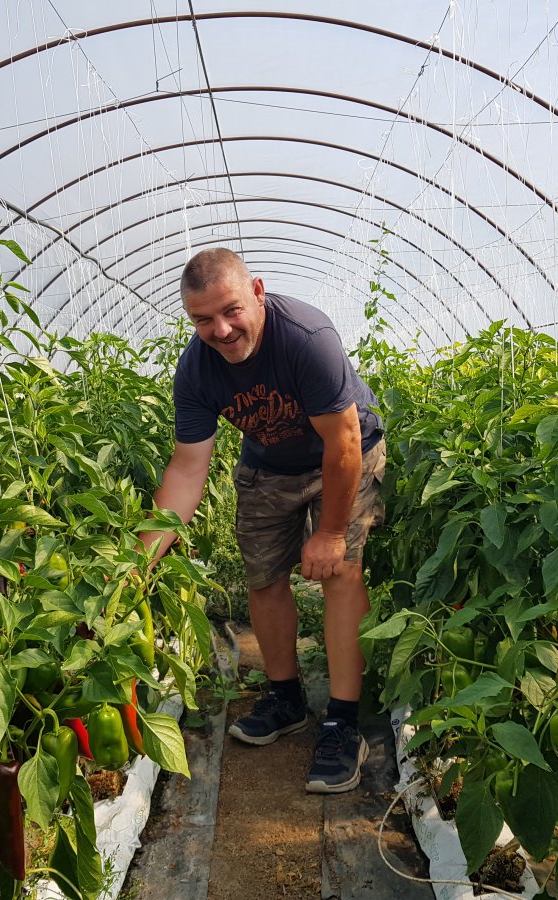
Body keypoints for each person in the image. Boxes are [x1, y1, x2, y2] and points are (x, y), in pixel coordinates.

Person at [140, 247, 385, 794]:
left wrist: (328, 534)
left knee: (341, 570)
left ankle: (343, 722)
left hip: (346, 455)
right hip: (268, 465)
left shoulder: (304, 337)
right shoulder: (196, 371)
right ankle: (286, 698)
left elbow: (343, 442)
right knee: (263, 576)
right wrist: (137, 564)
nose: (221, 330)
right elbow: (185, 471)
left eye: (230, 310)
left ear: (257, 292)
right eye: (202, 319)